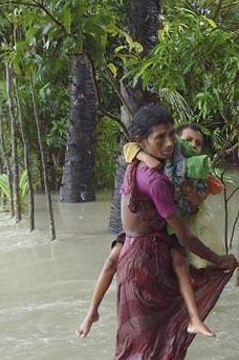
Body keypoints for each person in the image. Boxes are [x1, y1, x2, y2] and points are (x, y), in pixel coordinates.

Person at [68, 105, 237, 360]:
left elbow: (132, 152)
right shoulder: (156, 180)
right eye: (159, 138)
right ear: (142, 141)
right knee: (153, 343)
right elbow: (185, 236)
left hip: (138, 258)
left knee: (140, 345)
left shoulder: (138, 165)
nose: (169, 143)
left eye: (170, 135)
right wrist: (219, 260)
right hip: (149, 263)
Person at [77, 123, 224, 339]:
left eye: (198, 143)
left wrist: (190, 188)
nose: (193, 145)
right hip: (143, 227)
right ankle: (92, 312)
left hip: (170, 228)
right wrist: (145, 158)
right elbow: (130, 148)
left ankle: (194, 317)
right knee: (112, 260)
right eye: (188, 140)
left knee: (180, 262)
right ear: (177, 141)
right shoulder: (161, 156)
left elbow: (195, 206)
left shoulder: (197, 173)